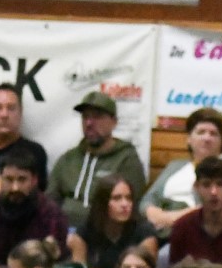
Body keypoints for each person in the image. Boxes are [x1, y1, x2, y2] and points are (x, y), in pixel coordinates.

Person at [48, 91, 148, 230]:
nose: (89, 123)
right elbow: (50, 201)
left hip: (102, 233)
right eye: (85, 117)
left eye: (97, 117)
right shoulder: (68, 159)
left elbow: (130, 207)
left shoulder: (126, 159)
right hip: (63, 230)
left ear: (114, 122)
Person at [142, 107, 222, 224]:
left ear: (221, 141)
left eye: (213, 134)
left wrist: (173, 218)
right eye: (201, 132)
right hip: (161, 226)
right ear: (189, 139)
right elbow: (147, 201)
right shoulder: (175, 166)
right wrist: (158, 216)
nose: (207, 138)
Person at [0, 144, 68, 266]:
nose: (15, 188)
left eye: (22, 180)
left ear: (34, 180)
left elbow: (55, 265)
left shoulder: (52, 216)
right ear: (0, 179)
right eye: (9, 180)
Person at [71, 174, 158, 268]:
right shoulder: (84, 232)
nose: (125, 204)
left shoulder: (145, 233)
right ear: (102, 203)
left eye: (129, 198)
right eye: (117, 198)